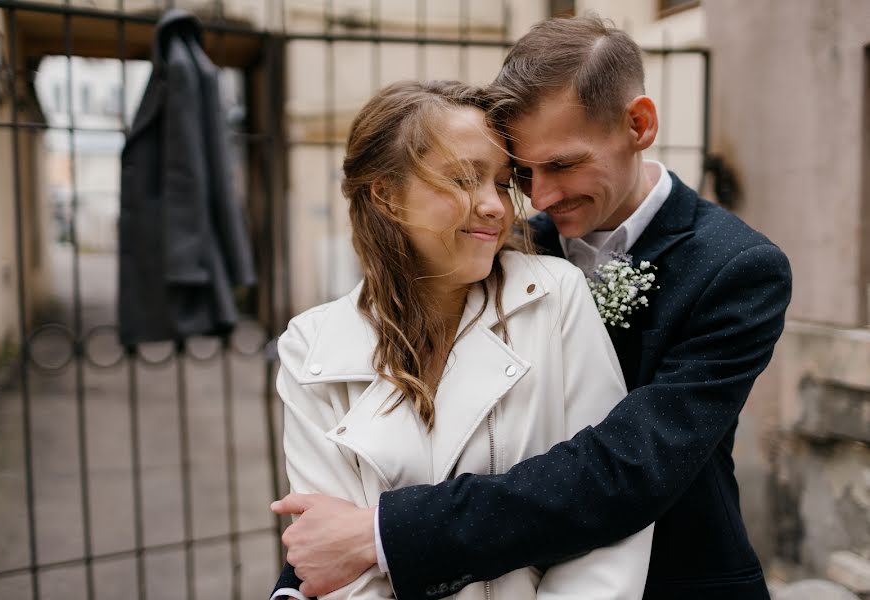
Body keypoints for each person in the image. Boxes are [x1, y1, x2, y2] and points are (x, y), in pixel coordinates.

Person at [271, 14, 793, 600]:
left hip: (679, 576)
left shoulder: (736, 268)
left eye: (563, 165)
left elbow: (629, 467)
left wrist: (384, 532)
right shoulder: (500, 249)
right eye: (521, 174)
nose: (535, 199)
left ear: (639, 125)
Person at [270, 79, 654, 600]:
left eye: (500, 183)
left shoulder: (552, 296)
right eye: (463, 179)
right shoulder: (310, 347)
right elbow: (332, 558)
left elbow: (603, 510)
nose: (496, 206)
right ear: (386, 194)